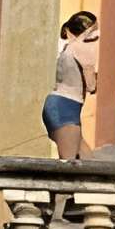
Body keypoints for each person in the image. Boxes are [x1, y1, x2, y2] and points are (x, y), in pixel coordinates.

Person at [44, 11, 100, 160]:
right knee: (69, 165)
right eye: (96, 30)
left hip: (61, 105)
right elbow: (91, 86)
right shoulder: (82, 48)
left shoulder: (66, 47)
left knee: (88, 162)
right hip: (65, 108)